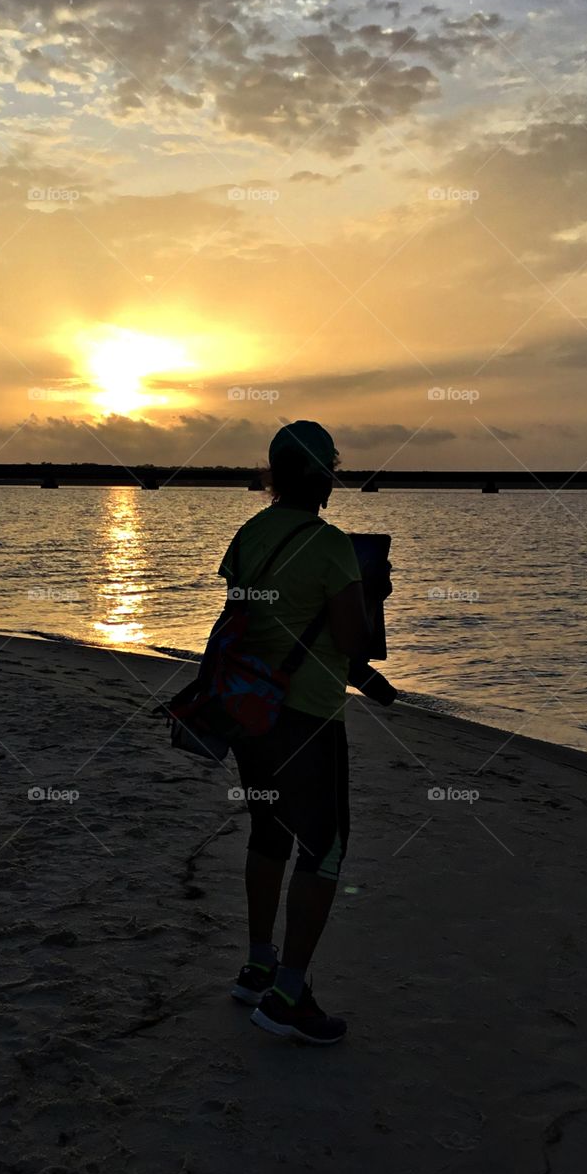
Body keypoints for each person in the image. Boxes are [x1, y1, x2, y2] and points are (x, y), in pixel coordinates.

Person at [219, 420, 391, 1045]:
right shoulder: (331, 545)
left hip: (251, 713)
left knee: (268, 834)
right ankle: (290, 994)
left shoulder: (249, 534)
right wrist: (373, 594)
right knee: (325, 849)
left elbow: (246, 617)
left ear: (273, 475)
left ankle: (257, 962)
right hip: (309, 720)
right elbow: (352, 643)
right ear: (325, 477)